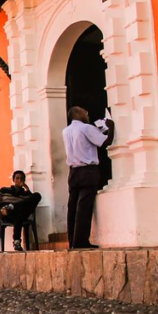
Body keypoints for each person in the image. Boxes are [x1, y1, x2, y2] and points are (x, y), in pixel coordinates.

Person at [62, 106, 115, 249]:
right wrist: (110, 127)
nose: (87, 113)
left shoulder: (66, 131)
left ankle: (72, 241)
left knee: (72, 207)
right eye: (84, 111)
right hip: (88, 171)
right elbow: (105, 142)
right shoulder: (86, 128)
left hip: (73, 172)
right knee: (84, 207)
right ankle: (81, 242)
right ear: (77, 114)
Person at [0, 170, 42, 251]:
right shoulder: (4, 190)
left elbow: (32, 202)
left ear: (24, 181)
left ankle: (12, 206)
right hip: (7, 214)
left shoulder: (25, 194)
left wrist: (27, 188)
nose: (19, 180)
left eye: (21, 179)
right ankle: (16, 241)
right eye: (17, 178)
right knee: (19, 213)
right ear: (13, 180)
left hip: (20, 214)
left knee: (37, 195)